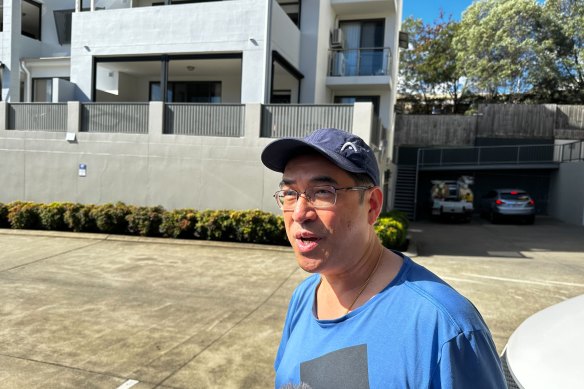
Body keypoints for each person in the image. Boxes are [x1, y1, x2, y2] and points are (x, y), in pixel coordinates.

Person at [261, 128, 507, 389]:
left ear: (372, 205)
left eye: (322, 192)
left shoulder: (445, 327)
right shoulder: (305, 296)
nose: (299, 213)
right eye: (289, 193)